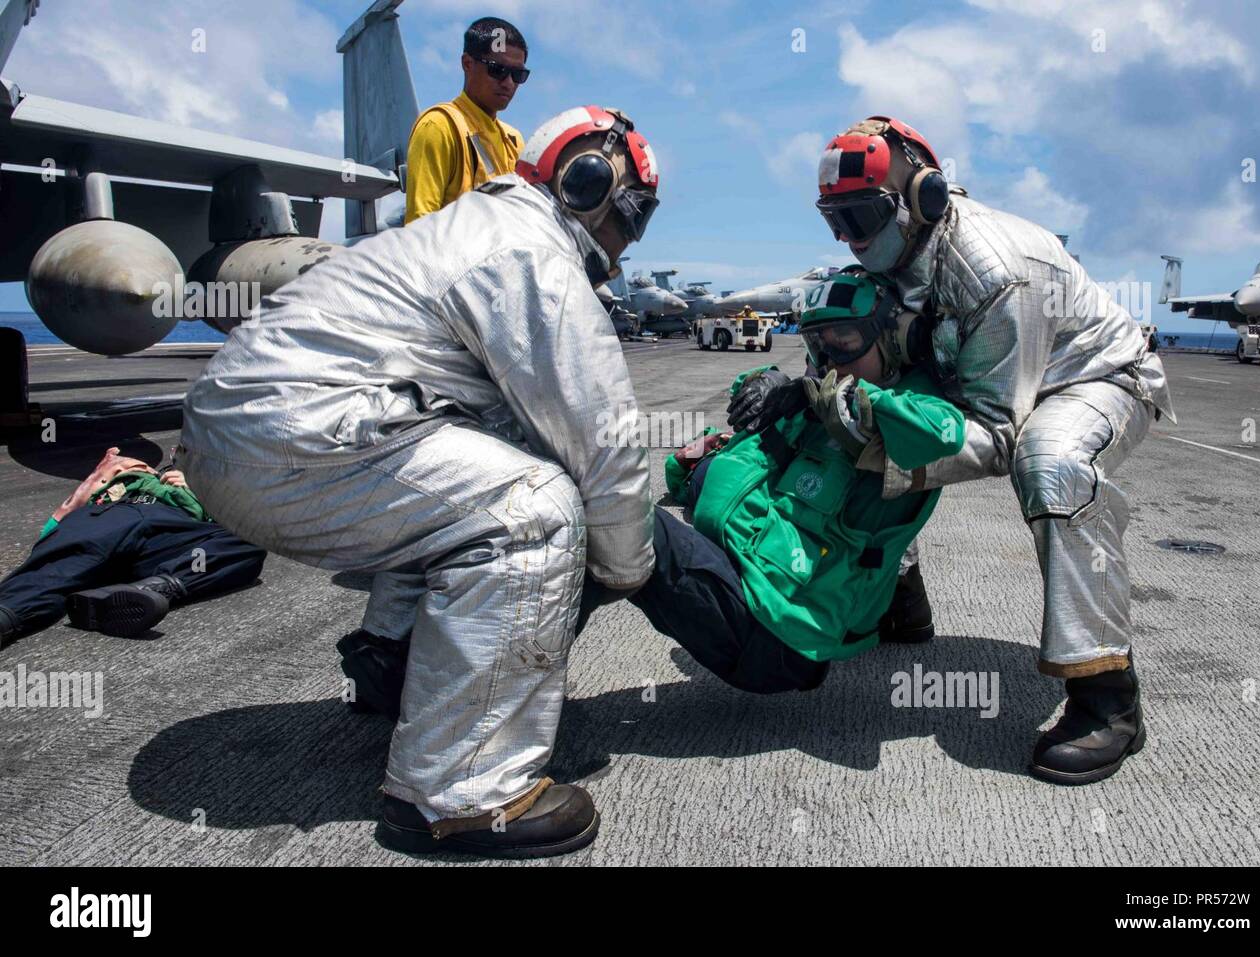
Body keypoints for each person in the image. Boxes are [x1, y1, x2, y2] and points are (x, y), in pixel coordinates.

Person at [177, 106, 662, 859]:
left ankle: (389, 658)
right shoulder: (529, 256)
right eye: (630, 216)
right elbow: (605, 439)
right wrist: (627, 567)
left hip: (243, 429)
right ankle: (462, 792)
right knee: (533, 511)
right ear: (588, 182)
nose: (626, 239)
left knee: (476, 466)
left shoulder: (476, 228)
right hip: (291, 439)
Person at [735, 115, 1175, 785]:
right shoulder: (905, 250)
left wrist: (873, 424)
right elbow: (887, 364)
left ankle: (1108, 695)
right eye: (836, 223)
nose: (850, 240)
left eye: (860, 216)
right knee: (872, 416)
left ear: (923, 194)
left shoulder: (993, 269)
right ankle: (898, 597)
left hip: (1092, 378)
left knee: (1048, 462)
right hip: (996, 375)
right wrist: (804, 389)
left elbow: (998, 432)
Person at [591, 272, 965, 693]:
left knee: (605, 518)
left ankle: (524, 716)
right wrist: (774, 382)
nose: (831, 361)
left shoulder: (892, 415)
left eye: (845, 341)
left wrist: (842, 400)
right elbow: (755, 432)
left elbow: (942, 431)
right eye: (819, 346)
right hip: (756, 589)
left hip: (780, 632)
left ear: (894, 341)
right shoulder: (819, 405)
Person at [0, 447, 265, 646]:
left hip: (168, 540)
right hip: (124, 514)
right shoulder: (143, 476)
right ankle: (8, 615)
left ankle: (149, 589)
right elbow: (62, 520)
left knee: (251, 540)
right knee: (59, 572)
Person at [403, 16, 528, 222]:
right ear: (467, 63)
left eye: (518, 75)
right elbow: (419, 225)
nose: (508, 83)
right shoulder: (439, 126)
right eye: (497, 70)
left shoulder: (514, 140)